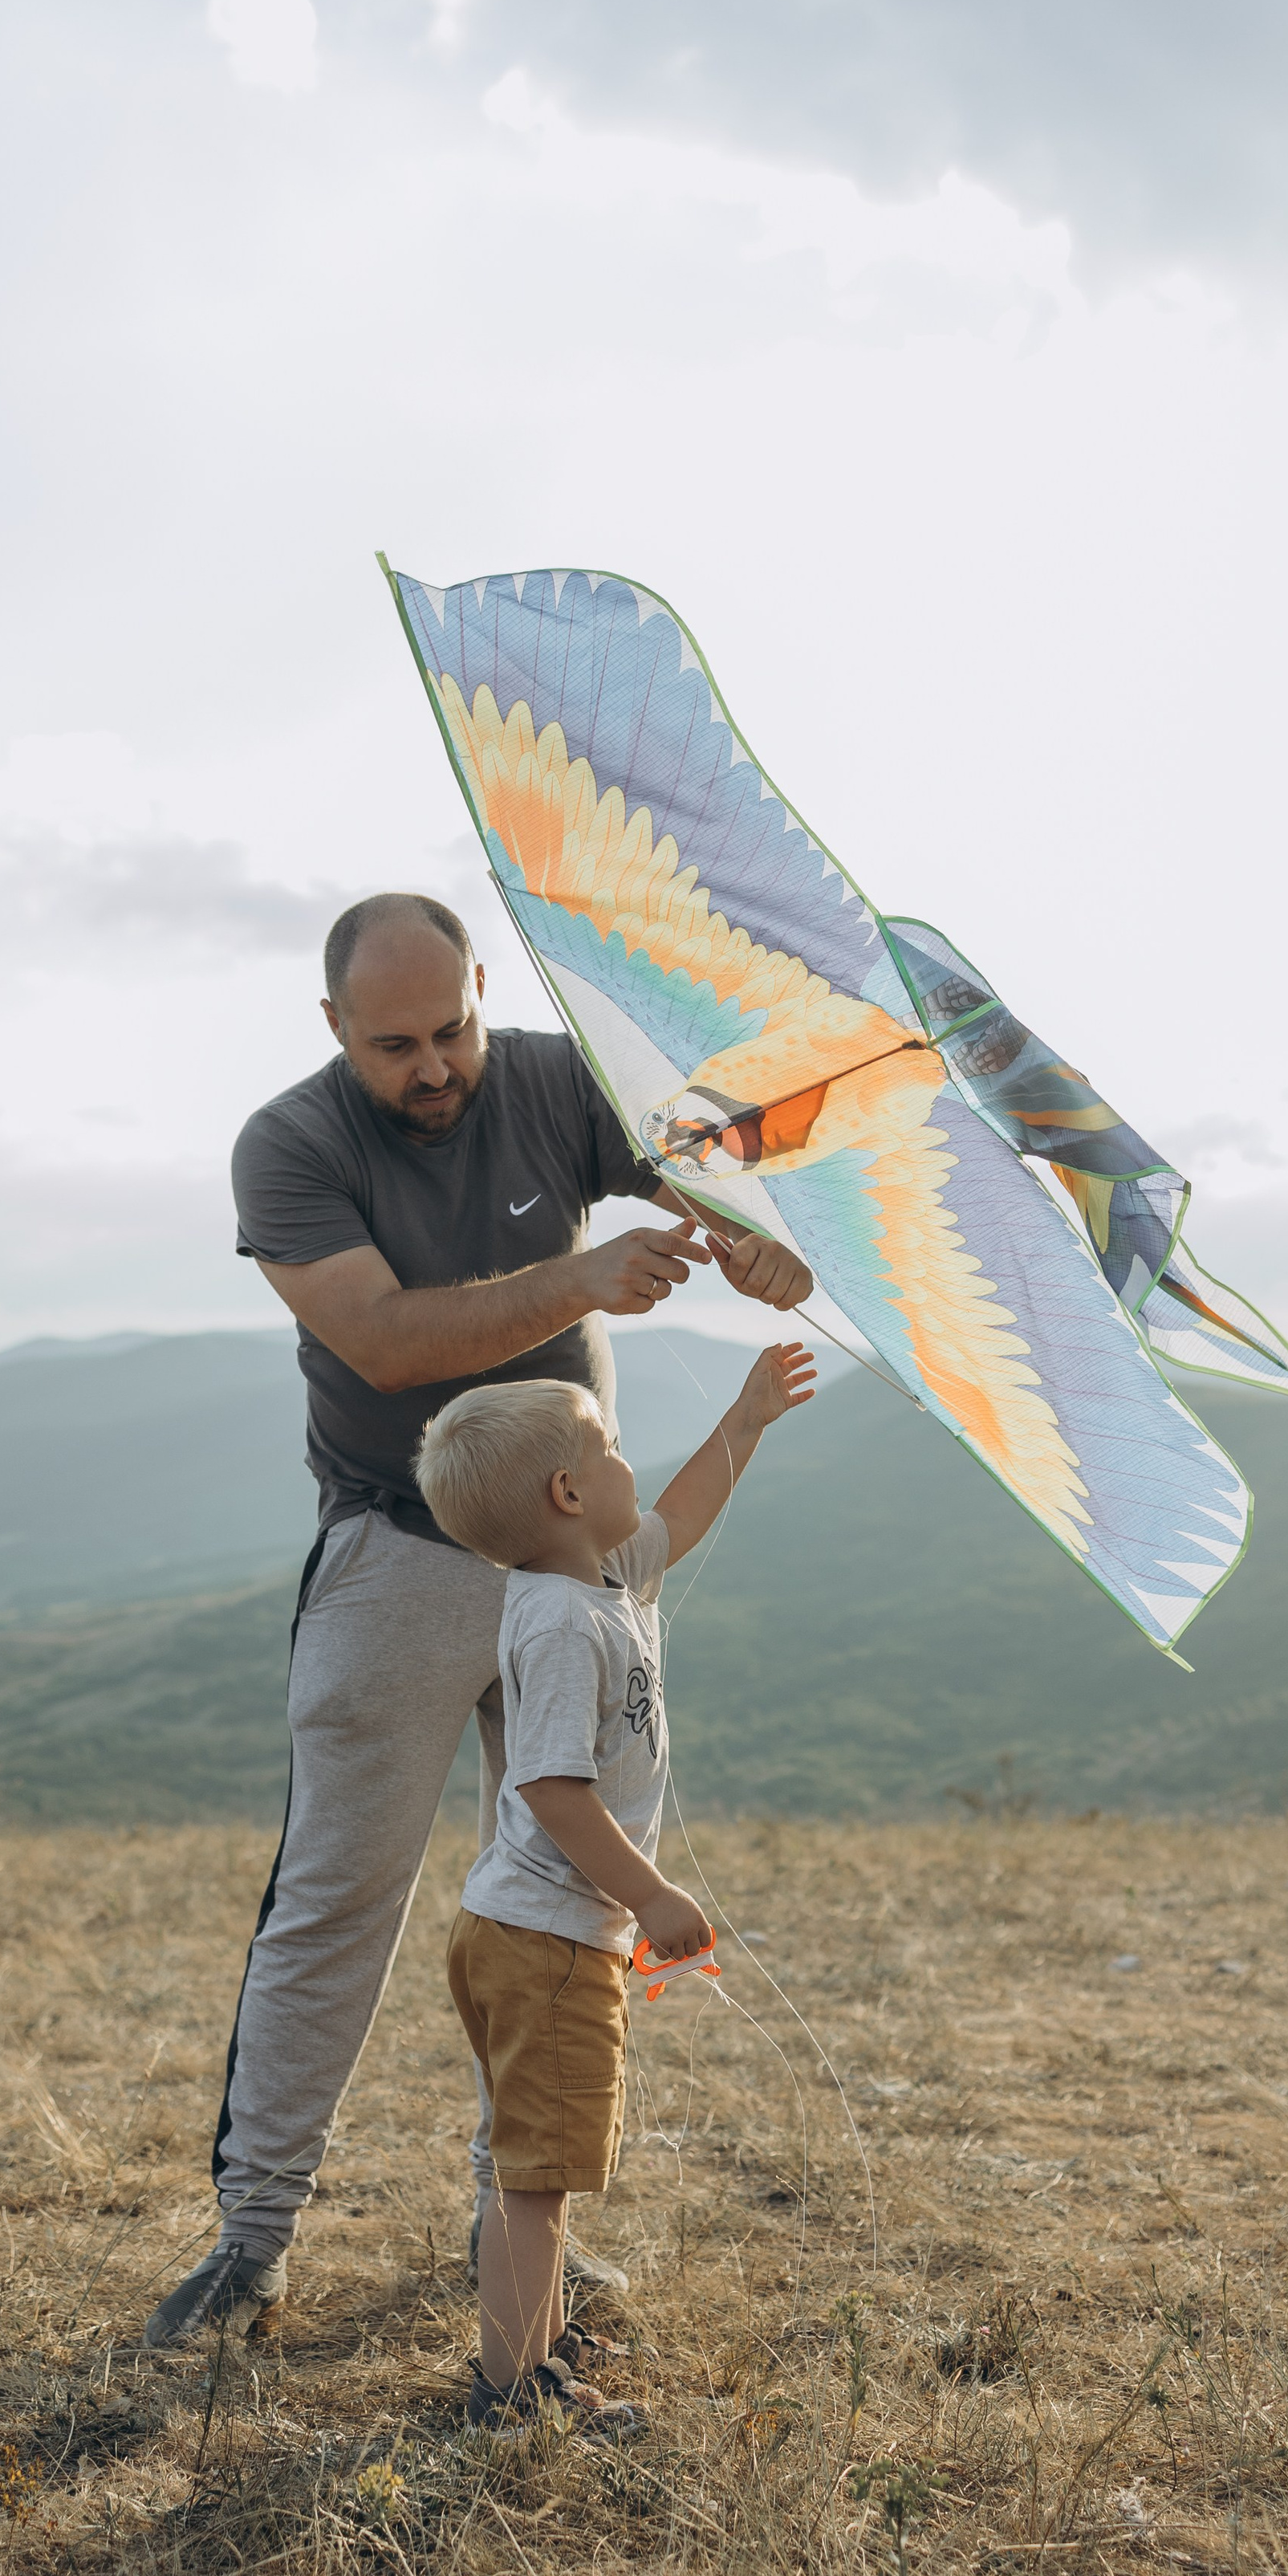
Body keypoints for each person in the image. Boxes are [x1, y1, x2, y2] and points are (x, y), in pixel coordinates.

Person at [143, 891, 812, 2348]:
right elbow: (382, 1343)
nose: (437, 1066)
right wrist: (577, 1278)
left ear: (482, 994)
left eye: (453, 1029)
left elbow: (711, 1159)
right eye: (398, 1045)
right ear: (335, 1031)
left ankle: (516, 2230)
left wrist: (755, 1238)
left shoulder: (556, 1078)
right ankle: (251, 2242)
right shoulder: (292, 1145)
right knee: (335, 1901)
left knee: (562, 1904)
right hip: (394, 1550)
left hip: (571, 1554)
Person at [416, 1347, 814, 2429]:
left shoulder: (599, 1573)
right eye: (613, 1450)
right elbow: (549, 1785)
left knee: (532, 2163)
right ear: (569, 1494)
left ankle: (536, 2343)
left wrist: (748, 1421)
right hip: (544, 1940)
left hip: (529, 1932)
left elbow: (678, 1516)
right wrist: (651, 1897)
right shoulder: (557, 1623)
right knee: (534, 2181)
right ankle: (515, 2392)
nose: (633, 1466)